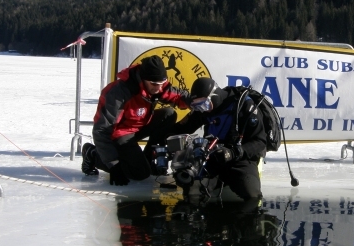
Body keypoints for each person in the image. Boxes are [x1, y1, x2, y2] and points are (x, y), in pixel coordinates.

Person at [81, 55, 192, 185]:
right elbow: (101, 130)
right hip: (120, 133)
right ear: (143, 79)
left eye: (162, 84)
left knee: (168, 114)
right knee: (140, 174)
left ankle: (148, 158)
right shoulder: (118, 93)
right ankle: (93, 155)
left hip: (140, 124)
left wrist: (193, 101)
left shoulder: (155, 85)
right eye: (155, 84)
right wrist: (113, 164)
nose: (159, 88)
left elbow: (176, 95)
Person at [168, 77, 267, 201]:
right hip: (211, 158)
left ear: (214, 95)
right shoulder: (204, 108)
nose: (202, 108)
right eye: (197, 105)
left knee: (252, 195)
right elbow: (183, 128)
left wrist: (233, 152)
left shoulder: (244, 106)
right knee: (193, 191)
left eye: (203, 104)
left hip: (239, 159)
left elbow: (260, 141)